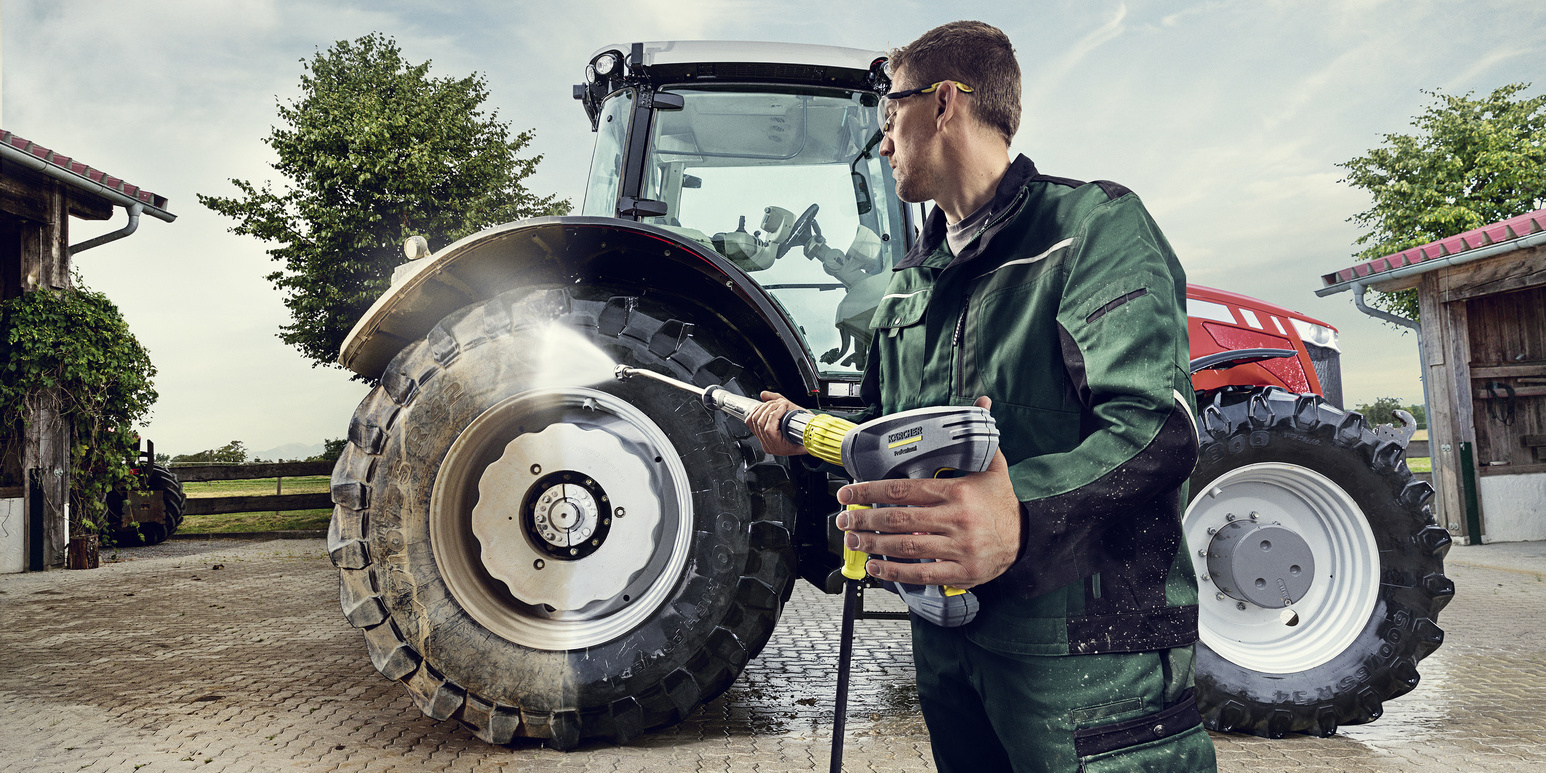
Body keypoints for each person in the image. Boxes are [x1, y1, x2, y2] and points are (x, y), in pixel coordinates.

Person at [747, 20, 1219, 773]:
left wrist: (1017, 510)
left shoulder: (1091, 229)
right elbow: (891, 433)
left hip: (1079, 657)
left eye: (888, 116)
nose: (882, 144)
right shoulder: (911, 278)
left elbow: (1156, 426)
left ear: (943, 104)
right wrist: (809, 432)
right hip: (949, 642)